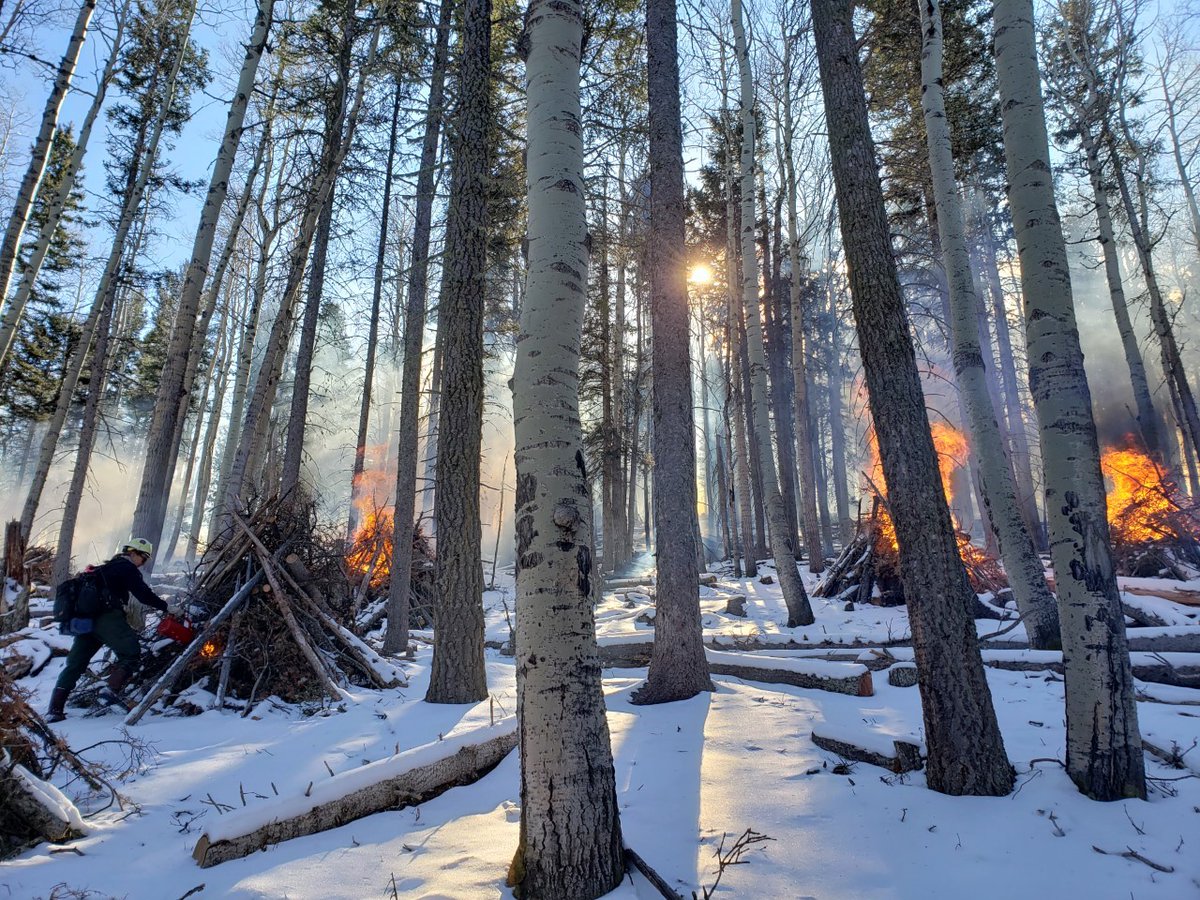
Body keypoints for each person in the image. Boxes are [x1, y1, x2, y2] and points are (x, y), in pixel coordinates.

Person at [47, 538, 171, 722]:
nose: (143, 563)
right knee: (131, 652)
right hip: (107, 617)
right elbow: (143, 594)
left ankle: (54, 710)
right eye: (144, 558)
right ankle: (110, 691)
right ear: (134, 553)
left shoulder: (103, 568)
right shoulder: (126, 567)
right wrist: (167, 607)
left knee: (75, 664)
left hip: (87, 622)